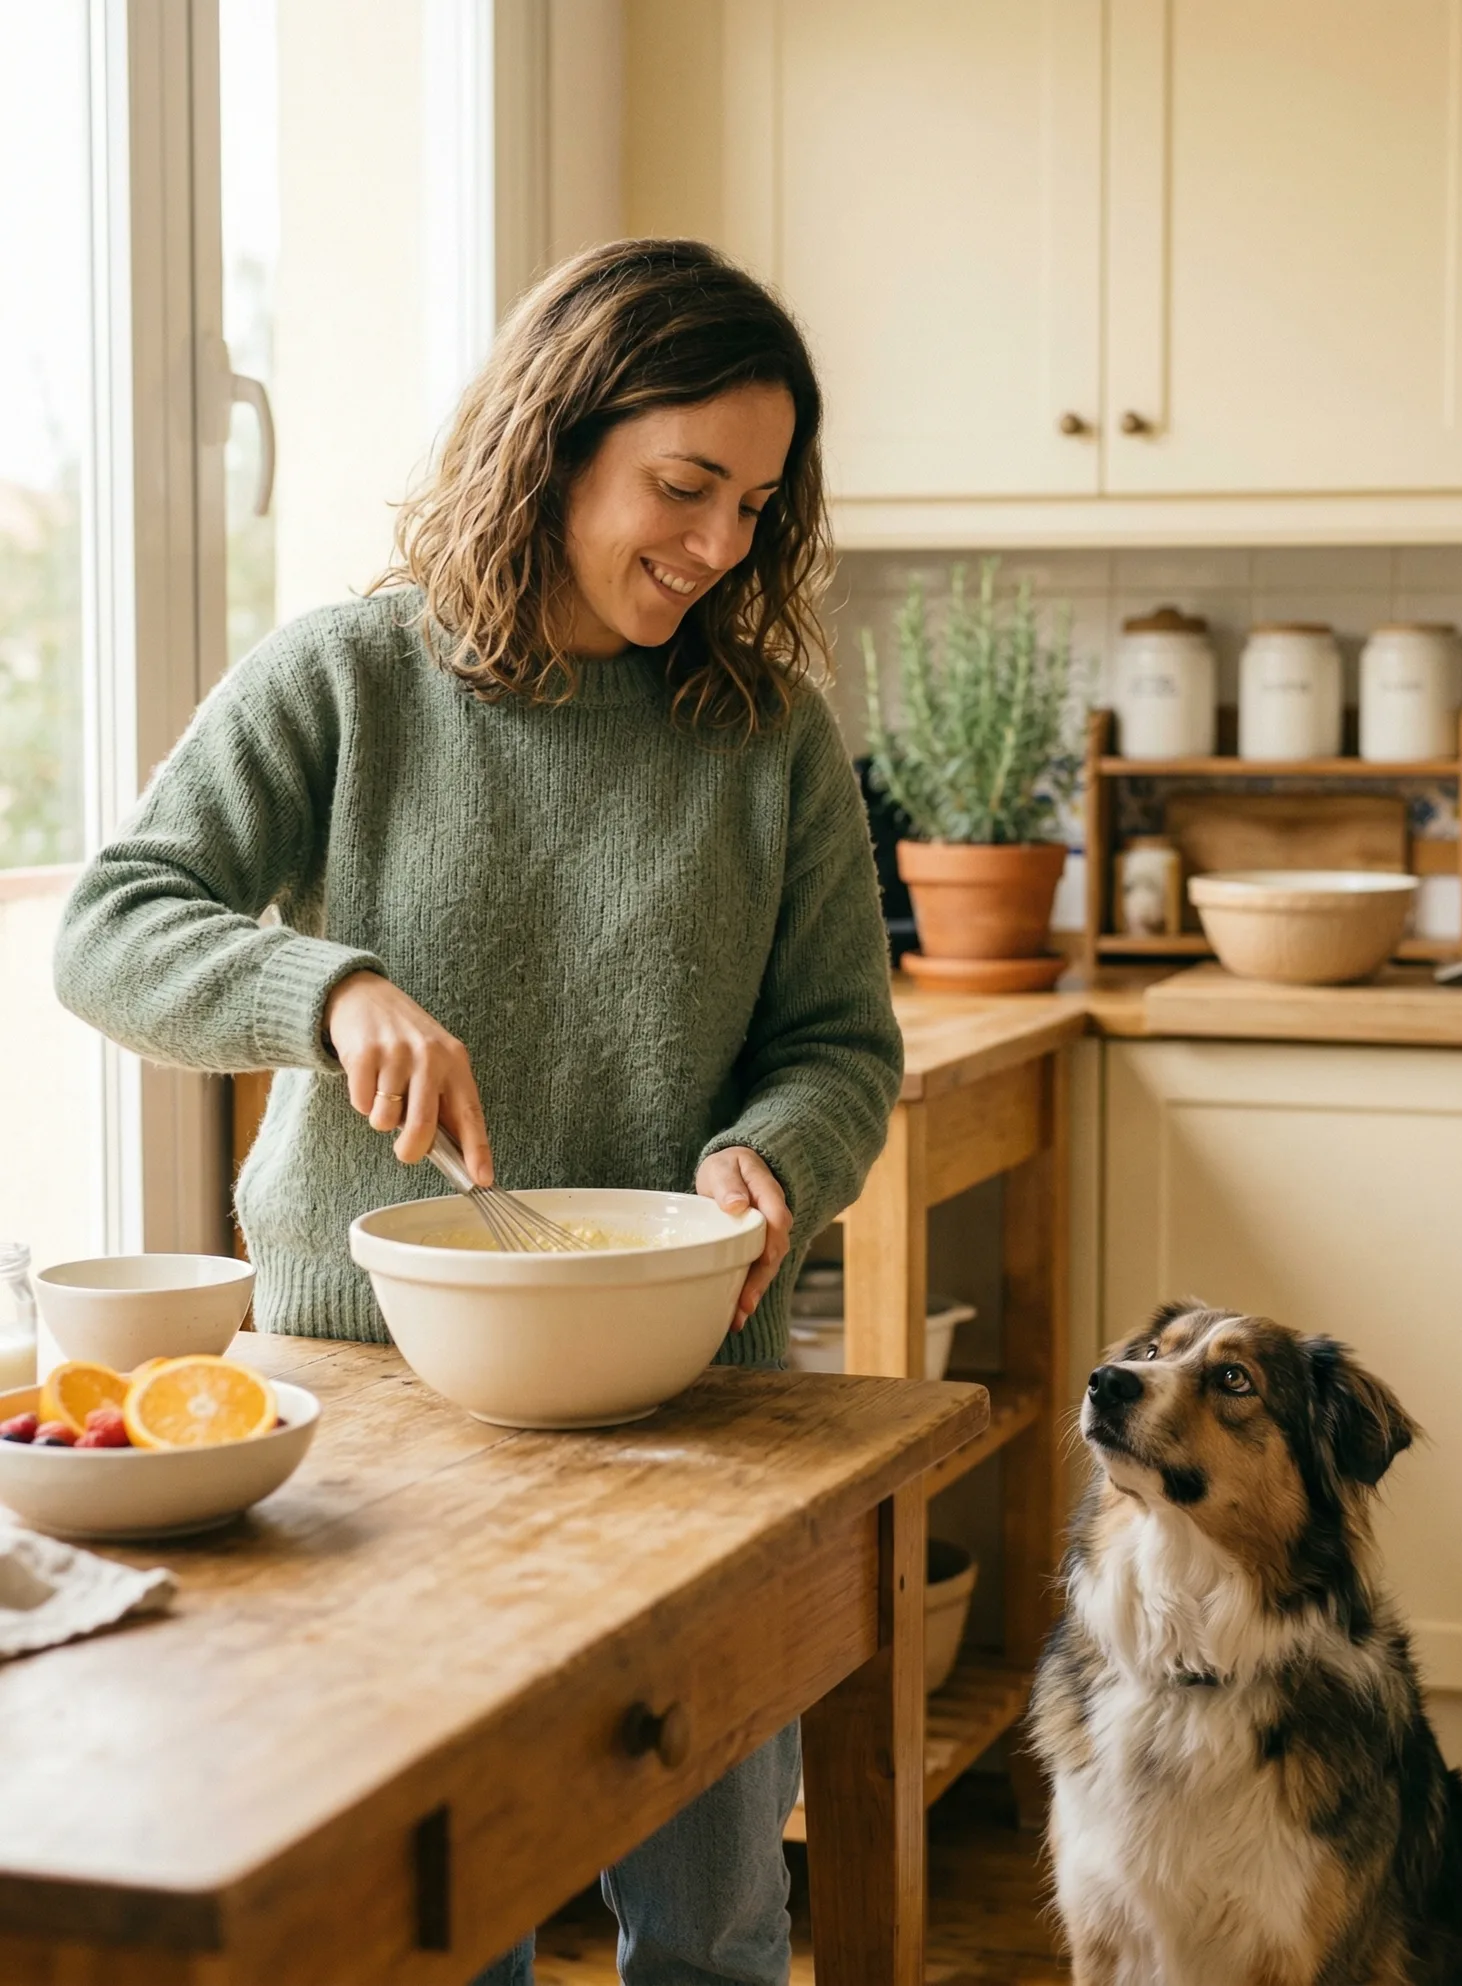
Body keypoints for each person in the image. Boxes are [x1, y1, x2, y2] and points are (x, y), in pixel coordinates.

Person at [54, 238, 903, 1985]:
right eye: (684, 485)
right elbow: (109, 925)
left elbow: (838, 1042)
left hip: (696, 1414)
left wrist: (781, 1156)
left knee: (725, 1937)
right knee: (434, 1940)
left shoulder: (769, 737)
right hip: (378, 1413)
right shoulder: (348, 682)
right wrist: (326, 988)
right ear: (554, 439)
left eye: (756, 501)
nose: (720, 545)